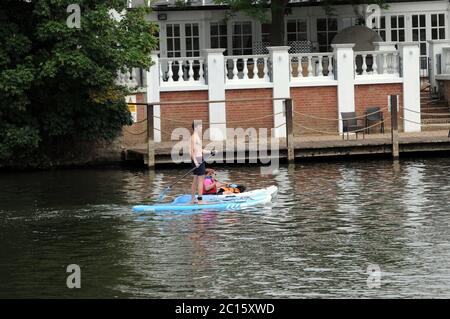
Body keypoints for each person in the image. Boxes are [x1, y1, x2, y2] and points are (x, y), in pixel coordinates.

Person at [190, 120, 213, 204]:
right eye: (200, 126)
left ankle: (193, 200)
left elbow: (200, 150)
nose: (202, 128)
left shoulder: (197, 137)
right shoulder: (193, 137)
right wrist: (196, 162)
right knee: (200, 181)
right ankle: (200, 200)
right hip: (197, 159)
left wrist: (210, 152)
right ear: (196, 127)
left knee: (196, 180)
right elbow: (191, 151)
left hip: (199, 158)